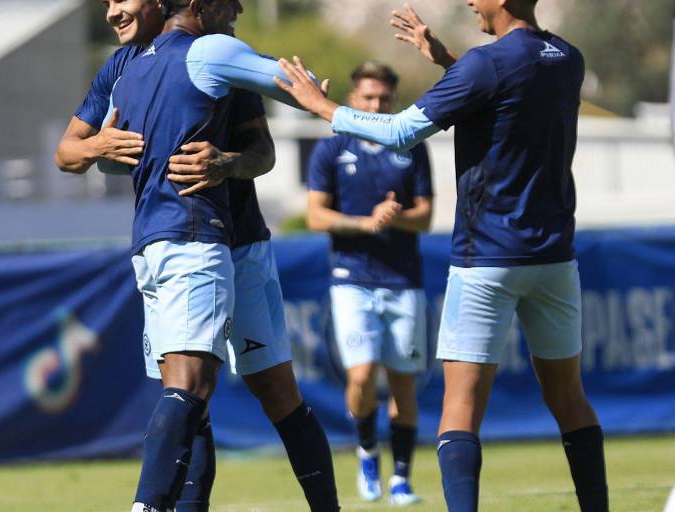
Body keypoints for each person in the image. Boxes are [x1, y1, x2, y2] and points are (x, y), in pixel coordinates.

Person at [274, 1, 609, 511]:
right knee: (570, 399)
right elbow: (507, 98)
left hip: (487, 261)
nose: (471, 1)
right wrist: (448, 60)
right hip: (555, 259)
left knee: (460, 408)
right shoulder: (569, 58)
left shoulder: (485, 62)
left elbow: (399, 132)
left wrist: (319, 106)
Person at [55, 1, 339, 511]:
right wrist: (99, 146)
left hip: (241, 242)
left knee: (276, 393)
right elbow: (67, 152)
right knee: (192, 400)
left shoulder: (221, 56)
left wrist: (227, 162)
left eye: (123, 2)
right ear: (192, 5)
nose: (113, 12)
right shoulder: (122, 69)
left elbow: (264, 153)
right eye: (226, 5)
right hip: (184, 239)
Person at [306, 61, 433, 506]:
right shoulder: (330, 151)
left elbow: (427, 215)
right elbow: (315, 214)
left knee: (403, 382)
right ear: (352, 99)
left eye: (383, 99)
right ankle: (366, 451)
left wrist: (396, 217)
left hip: (403, 280)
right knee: (360, 376)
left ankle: (401, 478)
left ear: (394, 102)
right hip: (352, 279)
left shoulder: (412, 147)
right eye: (367, 98)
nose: (376, 105)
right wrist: (365, 223)